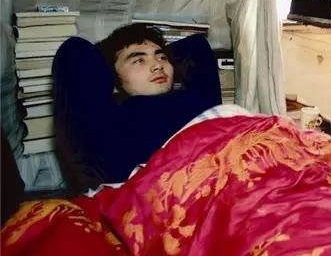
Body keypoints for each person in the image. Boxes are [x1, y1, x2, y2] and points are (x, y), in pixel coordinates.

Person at [53, 24, 222, 190]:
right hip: (157, 194)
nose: (158, 65)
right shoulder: (108, 119)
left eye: (162, 57)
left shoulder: (196, 101)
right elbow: (74, 51)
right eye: (139, 60)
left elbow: (196, 45)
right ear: (110, 77)